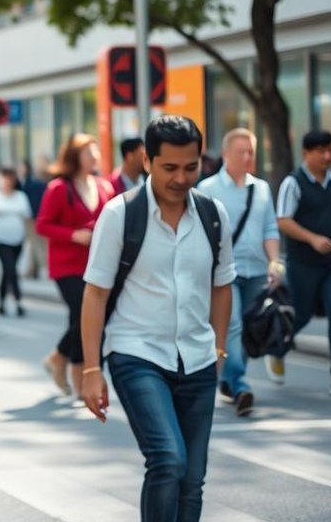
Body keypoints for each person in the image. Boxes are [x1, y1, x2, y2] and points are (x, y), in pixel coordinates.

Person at [79, 115, 235, 522]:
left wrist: (218, 349)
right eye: (170, 167)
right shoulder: (120, 215)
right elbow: (95, 293)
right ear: (147, 160)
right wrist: (92, 369)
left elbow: (223, 285)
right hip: (137, 353)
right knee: (168, 459)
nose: (181, 178)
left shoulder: (213, 215)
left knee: (192, 478)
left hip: (198, 359)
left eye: (191, 166)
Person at [197, 128, 283, 415]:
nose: (247, 157)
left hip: (257, 270)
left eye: (251, 152)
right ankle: (241, 384)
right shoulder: (207, 189)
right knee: (231, 325)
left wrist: (274, 261)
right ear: (225, 155)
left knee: (248, 328)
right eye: (241, 152)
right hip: (225, 272)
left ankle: (231, 380)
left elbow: (270, 227)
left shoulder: (260, 188)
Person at [36, 134, 115, 398]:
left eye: (96, 153)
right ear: (75, 157)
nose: (94, 158)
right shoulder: (59, 188)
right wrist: (74, 235)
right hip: (67, 265)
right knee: (86, 315)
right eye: (88, 153)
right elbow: (42, 224)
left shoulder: (104, 187)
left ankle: (76, 376)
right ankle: (60, 358)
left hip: (97, 264)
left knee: (83, 319)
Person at [273, 129, 331, 395]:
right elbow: (283, 221)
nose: (327, 156)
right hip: (302, 264)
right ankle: (278, 348)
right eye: (321, 151)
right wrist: (312, 239)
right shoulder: (292, 183)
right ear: (306, 153)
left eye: (330, 150)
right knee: (301, 314)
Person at [0, 167, 32, 317]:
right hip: (0, 239)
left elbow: (27, 218)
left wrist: (28, 239)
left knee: (8, 271)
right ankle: (19, 302)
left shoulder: (21, 196)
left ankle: (1, 303)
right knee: (11, 269)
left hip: (17, 240)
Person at [19, 157, 50, 280]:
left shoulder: (33, 183)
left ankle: (45, 267)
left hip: (35, 217)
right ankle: (33, 270)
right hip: (35, 216)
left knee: (38, 244)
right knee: (33, 244)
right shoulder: (29, 182)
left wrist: (33, 215)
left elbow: (35, 201)